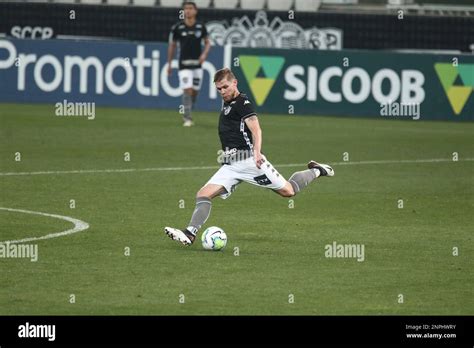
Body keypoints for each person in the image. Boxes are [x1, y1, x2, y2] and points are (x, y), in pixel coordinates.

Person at [165, 68, 335, 245]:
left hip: (250, 162)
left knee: (288, 191)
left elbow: (256, 129)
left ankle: (317, 170)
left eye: (225, 87)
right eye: (219, 89)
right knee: (203, 194)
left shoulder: (242, 103)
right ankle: (190, 233)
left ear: (235, 83)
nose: (222, 91)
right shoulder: (227, 102)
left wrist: (257, 152)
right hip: (230, 165)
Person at [167, 1, 211, 127]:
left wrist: (204, 55)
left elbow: (208, 43)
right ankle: (187, 118)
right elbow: (172, 46)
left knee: (194, 92)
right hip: (183, 64)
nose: (188, 11)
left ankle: (189, 108)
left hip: (197, 65)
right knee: (187, 89)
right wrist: (169, 64)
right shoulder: (178, 27)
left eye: (190, 8)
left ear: (195, 11)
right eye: (186, 8)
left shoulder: (201, 27)